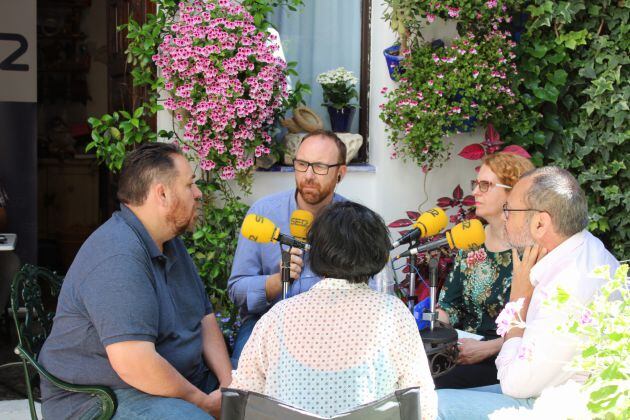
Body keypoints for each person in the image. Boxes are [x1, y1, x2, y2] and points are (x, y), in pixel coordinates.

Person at [39, 143, 232, 419]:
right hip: (101, 397)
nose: (198, 193)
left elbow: (204, 316)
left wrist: (228, 386)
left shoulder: (169, 241)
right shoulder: (117, 255)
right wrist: (203, 404)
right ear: (162, 194)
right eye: (190, 185)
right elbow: (135, 363)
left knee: (266, 392)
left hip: (176, 383)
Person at [436, 166, 619, 419]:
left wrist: (517, 302)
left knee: (430, 406)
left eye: (509, 210)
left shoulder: (569, 286)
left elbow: (515, 384)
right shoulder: (579, 249)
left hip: (563, 408)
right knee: (427, 391)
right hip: (547, 391)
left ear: (541, 223)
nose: (505, 216)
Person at [230, 201, 438, 419]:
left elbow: (243, 399)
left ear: (316, 253)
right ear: (377, 254)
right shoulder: (393, 313)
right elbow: (422, 405)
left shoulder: (277, 316)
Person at [228, 129, 347, 366]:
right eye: (302, 164)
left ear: (340, 173)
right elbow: (236, 290)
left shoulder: (352, 221)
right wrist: (275, 281)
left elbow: (374, 291)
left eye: (320, 167)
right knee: (244, 379)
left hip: (334, 327)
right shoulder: (264, 213)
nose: (309, 175)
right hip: (267, 322)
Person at [435, 153, 534, 389]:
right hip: (462, 352)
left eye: (485, 185)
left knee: (434, 383)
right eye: (476, 184)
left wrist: (487, 348)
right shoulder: (472, 239)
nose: (475, 192)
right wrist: (438, 332)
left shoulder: (534, 248)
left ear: (514, 192)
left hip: (506, 358)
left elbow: (538, 324)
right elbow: (450, 304)